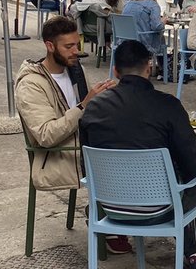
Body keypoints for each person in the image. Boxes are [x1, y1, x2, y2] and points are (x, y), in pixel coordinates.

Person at [80, 39, 196, 269]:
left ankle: (195, 250)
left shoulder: (93, 109)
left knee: (175, 177)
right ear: (149, 67)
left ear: (115, 70)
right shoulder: (167, 106)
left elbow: (87, 168)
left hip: (110, 207)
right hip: (160, 209)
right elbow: (194, 167)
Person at [14, 17, 121, 249]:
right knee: (123, 156)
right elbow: (45, 135)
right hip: (59, 154)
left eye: (78, 44)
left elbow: (87, 111)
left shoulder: (74, 69)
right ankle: (113, 215)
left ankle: (119, 213)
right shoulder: (31, 84)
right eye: (69, 46)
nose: (77, 51)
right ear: (50, 46)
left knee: (137, 140)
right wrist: (85, 105)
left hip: (82, 143)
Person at [123, 0, 167, 77]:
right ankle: (164, 70)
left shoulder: (129, 3)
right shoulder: (152, 5)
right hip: (142, 40)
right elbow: (156, 26)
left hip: (125, 39)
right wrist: (163, 21)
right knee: (162, 38)